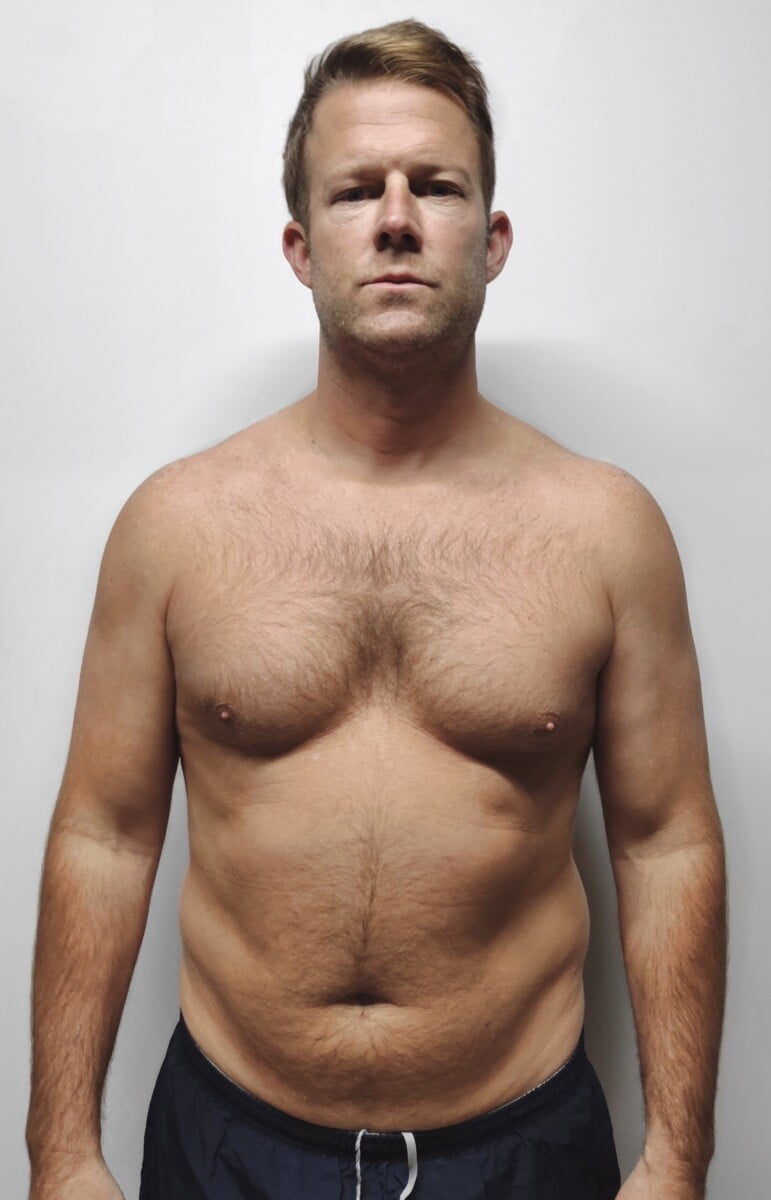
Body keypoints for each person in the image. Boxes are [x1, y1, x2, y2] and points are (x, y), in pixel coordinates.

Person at [25, 18, 726, 1200]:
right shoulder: (176, 526)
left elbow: (667, 844)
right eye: (357, 190)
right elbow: (102, 834)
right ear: (302, 247)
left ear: (491, 239)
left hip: (520, 1151)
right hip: (226, 1143)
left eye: (436, 186)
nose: (396, 218)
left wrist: (677, 1162)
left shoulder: (608, 531)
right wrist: (57, 1153)